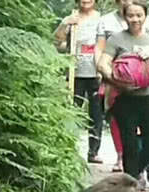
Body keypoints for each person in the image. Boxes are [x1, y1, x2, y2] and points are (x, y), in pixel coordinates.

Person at [97, 1, 149, 185]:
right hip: (125, 99)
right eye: (131, 15)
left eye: (139, 15)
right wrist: (116, 80)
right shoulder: (116, 39)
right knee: (129, 145)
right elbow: (102, 63)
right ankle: (130, 184)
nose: (135, 19)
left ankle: (134, 173)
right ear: (125, 17)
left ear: (145, 16)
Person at [54, 0, 104, 164]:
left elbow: (104, 44)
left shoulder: (100, 19)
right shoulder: (71, 18)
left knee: (96, 112)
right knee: (73, 109)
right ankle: (69, 148)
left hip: (95, 71)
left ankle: (94, 151)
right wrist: (65, 25)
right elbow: (58, 42)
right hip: (75, 71)